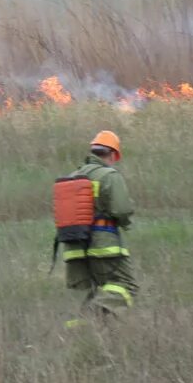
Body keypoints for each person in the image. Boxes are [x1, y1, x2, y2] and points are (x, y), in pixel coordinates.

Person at [61, 130, 137, 321]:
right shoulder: (109, 175)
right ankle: (90, 317)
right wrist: (126, 221)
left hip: (75, 249)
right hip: (104, 246)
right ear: (112, 154)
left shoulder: (73, 176)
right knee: (126, 285)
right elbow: (122, 210)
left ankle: (81, 331)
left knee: (97, 290)